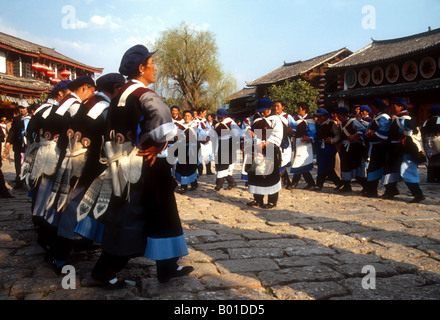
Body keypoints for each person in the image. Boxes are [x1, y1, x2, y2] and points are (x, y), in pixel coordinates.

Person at [92, 44, 192, 287]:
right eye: (151, 63)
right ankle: (105, 271)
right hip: (146, 166)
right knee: (137, 217)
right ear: (141, 67)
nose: (155, 67)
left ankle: (168, 265)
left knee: (156, 215)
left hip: (122, 161)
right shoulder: (145, 95)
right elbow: (164, 124)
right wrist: (160, 143)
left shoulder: (118, 97)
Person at [45, 74, 126, 272]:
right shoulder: (105, 108)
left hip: (74, 161)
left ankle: (78, 242)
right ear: (116, 88)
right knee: (75, 208)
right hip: (89, 166)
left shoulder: (89, 103)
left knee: (73, 205)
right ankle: (58, 254)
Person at [31, 76, 95, 258]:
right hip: (59, 156)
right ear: (85, 88)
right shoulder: (75, 105)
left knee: (46, 199)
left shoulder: (63, 102)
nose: (92, 95)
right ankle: (55, 242)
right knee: (57, 200)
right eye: (92, 90)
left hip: (49, 152)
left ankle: (48, 238)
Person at [383, 98, 425, 203]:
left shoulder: (406, 119)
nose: (392, 108)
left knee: (407, 170)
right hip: (396, 149)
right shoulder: (397, 118)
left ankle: (418, 194)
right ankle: (391, 190)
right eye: (391, 106)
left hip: (407, 149)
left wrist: (403, 137)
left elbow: (413, 132)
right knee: (391, 170)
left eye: (394, 106)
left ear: (401, 106)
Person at [246, 99, 283, 209]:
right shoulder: (255, 118)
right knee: (256, 174)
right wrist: (249, 131)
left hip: (270, 149)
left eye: (264, 111)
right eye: (260, 111)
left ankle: (272, 200)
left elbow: (277, 135)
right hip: (256, 149)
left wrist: (265, 144)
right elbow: (248, 125)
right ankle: (258, 199)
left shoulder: (276, 120)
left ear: (269, 109)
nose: (262, 113)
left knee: (269, 175)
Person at [363, 99, 392, 198]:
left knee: (380, 168)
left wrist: (373, 133)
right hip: (374, 147)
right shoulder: (376, 117)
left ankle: (388, 190)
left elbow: (385, 131)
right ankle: (371, 190)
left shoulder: (384, 118)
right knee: (372, 168)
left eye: (372, 107)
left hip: (381, 147)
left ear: (375, 107)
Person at [334, 106, 367, 193]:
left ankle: (366, 186)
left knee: (355, 167)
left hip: (354, 148)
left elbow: (363, 130)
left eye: (339, 115)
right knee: (345, 167)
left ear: (344, 115)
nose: (338, 117)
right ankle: (347, 186)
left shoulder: (353, 122)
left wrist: (354, 136)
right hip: (345, 148)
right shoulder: (341, 124)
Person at [4, 101, 31, 189]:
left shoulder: (31, 118)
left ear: (27, 108)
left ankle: (27, 180)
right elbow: (12, 131)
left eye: (23, 108)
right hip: (19, 145)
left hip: (29, 145)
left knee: (27, 164)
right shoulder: (16, 119)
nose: (22, 110)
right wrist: (9, 141)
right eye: (20, 108)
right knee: (18, 164)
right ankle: (19, 180)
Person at [314, 107, 342, 190]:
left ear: (326, 116)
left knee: (324, 165)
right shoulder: (317, 125)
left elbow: (338, 135)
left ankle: (319, 184)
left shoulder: (331, 124)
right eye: (318, 116)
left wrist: (332, 140)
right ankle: (338, 182)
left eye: (321, 116)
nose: (319, 118)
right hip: (320, 147)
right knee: (325, 166)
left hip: (329, 147)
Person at [213, 108, 240, 191]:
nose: (220, 119)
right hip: (219, 143)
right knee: (221, 164)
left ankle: (219, 184)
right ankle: (232, 183)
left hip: (228, 143)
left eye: (221, 117)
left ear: (225, 116)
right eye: (218, 117)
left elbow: (236, 134)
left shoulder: (230, 122)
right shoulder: (215, 122)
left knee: (223, 164)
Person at [290, 102, 316, 189]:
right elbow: (293, 128)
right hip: (297, 142)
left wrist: (308, 138)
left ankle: (295, 182)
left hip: (305, 144)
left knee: (301, 161)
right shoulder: (295, 118)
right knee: (299, 162)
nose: (297, 110)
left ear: (303, 109)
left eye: (299, 108)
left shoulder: (310, 119)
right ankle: (310, 182)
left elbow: (313, 132)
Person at [174, 109, 200, 192]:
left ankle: (193, 184)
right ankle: (184, 186)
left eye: (189, 116)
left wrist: (206, 138)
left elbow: (202, 134)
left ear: (192, 117)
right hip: (182, 148)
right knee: (182, 166)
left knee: (190, 167)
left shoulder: (196, 125)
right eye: (185, 115)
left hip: (193, 149)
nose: (186, 117)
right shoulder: (180, 125)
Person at [274, 100, 296, 189]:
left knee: (282, 161)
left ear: (283, 107)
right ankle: (284, 182)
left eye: (278, 106)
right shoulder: (272, 117)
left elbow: (295, 127)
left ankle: (286, 182)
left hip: (284, 142)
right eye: (274, 106)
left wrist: (292, 131)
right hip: (275, 141)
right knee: (276, 162)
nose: (276, 108)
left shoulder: (288, 117)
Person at [422, 105, 440, 183]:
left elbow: (423, 132)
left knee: (430, 160)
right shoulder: (439, 119)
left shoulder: (427, 121)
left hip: (427, 142)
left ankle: (431, 178)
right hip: (438, 141)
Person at [197, 107, 214, 176]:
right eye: (204, 113)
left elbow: (208, 129)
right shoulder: (195, 120)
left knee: (208, 155)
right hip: (199, 140)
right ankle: (200, 171)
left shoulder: (205, 121)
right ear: (201, 112)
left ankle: (208, 170)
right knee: (199, 155)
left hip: (207, 140)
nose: (205, 114)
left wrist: (209, 136)